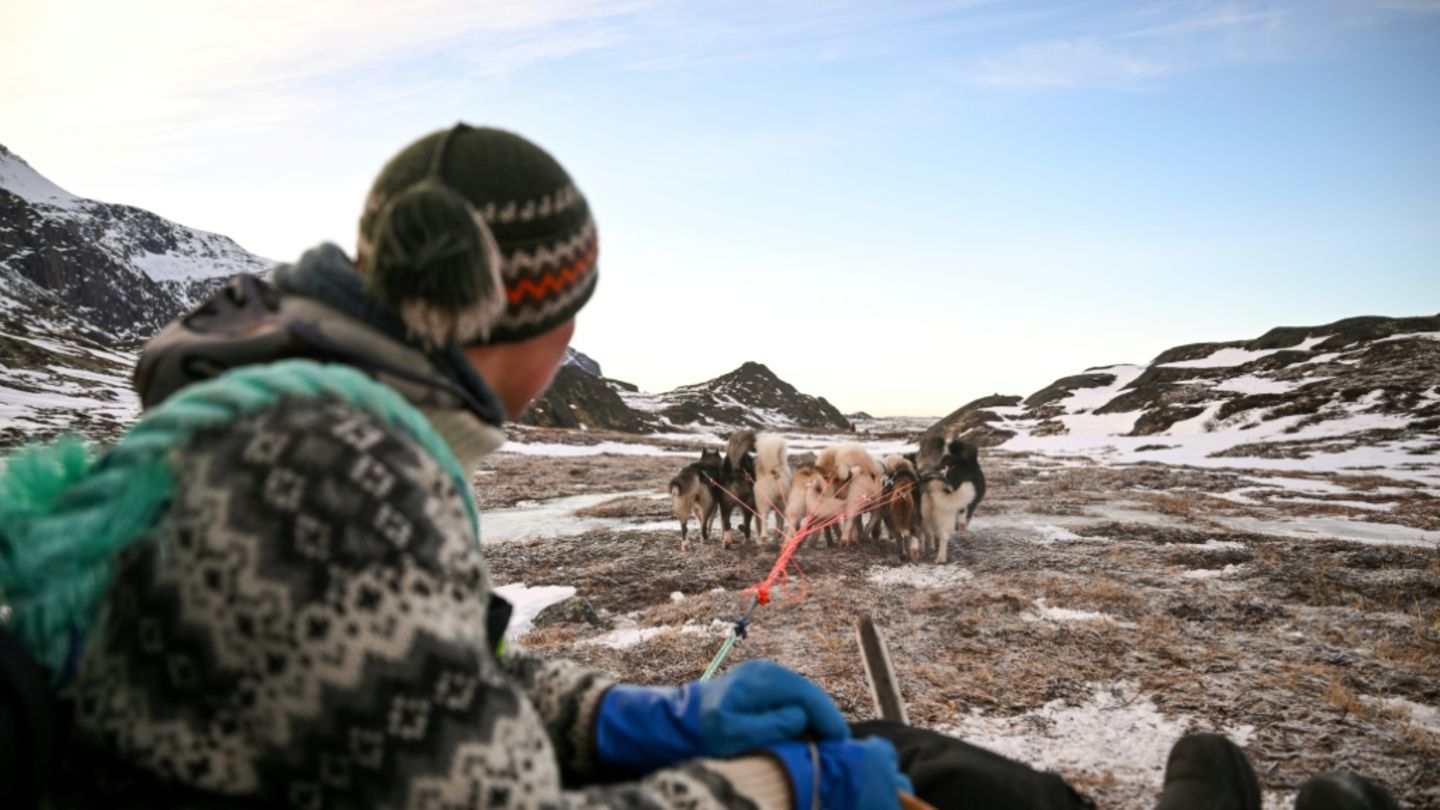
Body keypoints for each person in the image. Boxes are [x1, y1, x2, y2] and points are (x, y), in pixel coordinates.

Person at [0, 124, 1401, 810]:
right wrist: (774, 793)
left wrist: (628, 712)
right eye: (569, 322)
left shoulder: (272, 414)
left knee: (893, 751)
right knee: (899, 772)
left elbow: (392, 683)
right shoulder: (343, 465)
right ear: (522, 318)